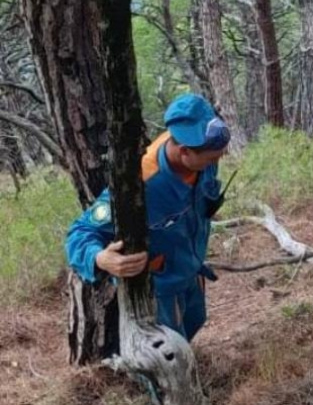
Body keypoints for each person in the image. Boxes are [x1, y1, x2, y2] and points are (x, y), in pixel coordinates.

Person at [65, 93, 230, 341]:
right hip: (159, 288)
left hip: (191, 269)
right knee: (166, 347)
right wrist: (100, 258)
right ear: (184, 151)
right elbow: (79, 233)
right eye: (212, 159)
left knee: (195, 320)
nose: (218, 161)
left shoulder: (202, 148)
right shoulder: (137, 184)